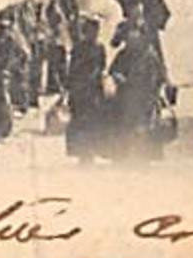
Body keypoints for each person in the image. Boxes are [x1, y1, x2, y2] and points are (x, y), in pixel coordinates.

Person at [109, 22, 168, 161]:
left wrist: (152, 91)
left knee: (143, 128)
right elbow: (113, 70)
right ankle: (124, 155)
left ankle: (143, 157)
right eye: (130, 37)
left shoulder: (149, 55)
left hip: (145, 98)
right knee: (125, 127)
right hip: (126, 97)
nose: (132, 39)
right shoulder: (124, 54)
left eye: (136, 36)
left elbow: (158, 76)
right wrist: (118, 77)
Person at [64, 16, 107, 163]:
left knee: (93, 122)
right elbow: (72, 70)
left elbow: (102, 67)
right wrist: (70, 88)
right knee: (80, 123)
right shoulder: (79, 48)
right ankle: (83, 154)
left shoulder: (100, 48)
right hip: (80, 91)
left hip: (93, 91)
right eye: (90, 30)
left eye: (96, 31)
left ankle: (90, 152)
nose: (93, 34)